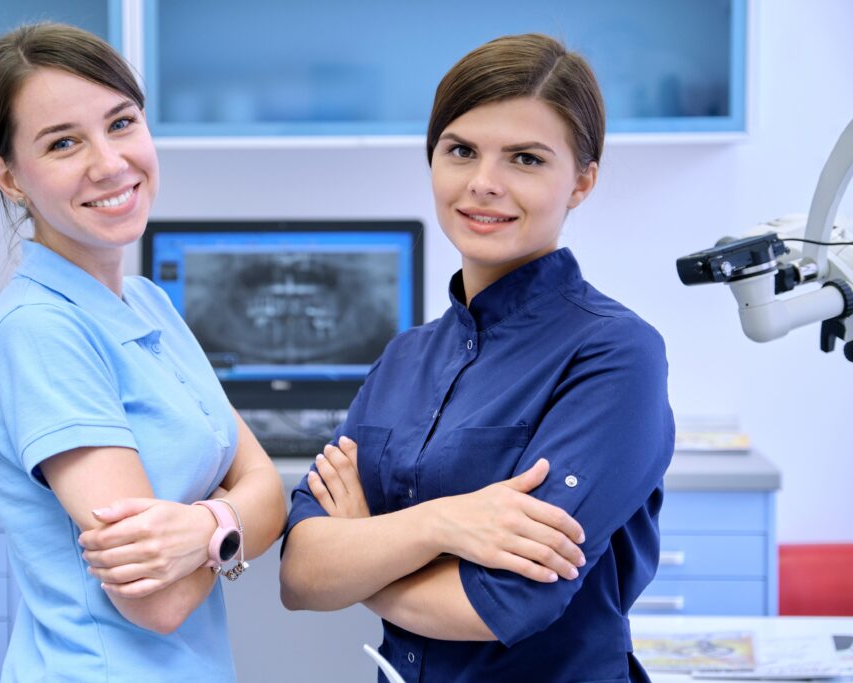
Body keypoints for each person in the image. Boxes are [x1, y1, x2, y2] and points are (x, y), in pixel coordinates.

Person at [278, 34, 675, 682]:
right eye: (460, 150)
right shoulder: (403, 360)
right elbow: (300, 573)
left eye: (525, 158)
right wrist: (445, 522)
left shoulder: (616, 355)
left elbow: (504, 600)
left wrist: (364, 559)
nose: (483, 184)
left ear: (582, 180)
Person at [0, 22, 286, 682]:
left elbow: (272, 488)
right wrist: (229, 518)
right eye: (62, 143)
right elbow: (158, 600)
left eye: (122, 122)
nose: (109, 162)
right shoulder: (40, 334)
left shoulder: (146, 302)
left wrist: (201, 528)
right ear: (10, 176)